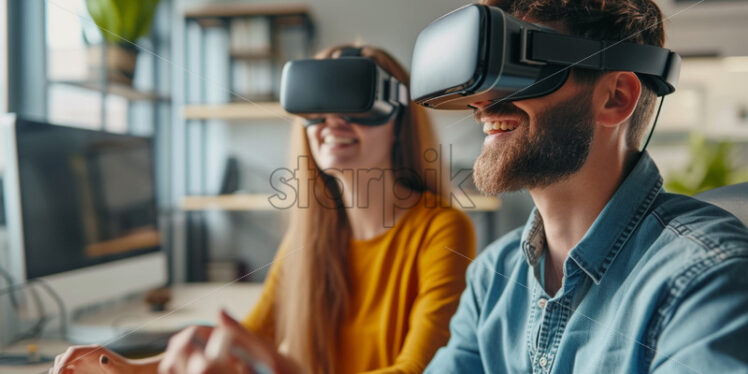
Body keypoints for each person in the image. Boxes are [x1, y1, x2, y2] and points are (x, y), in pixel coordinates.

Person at [51, 44, 476, 374]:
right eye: (317, 109)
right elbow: (248, 337)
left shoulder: (442, 231)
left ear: (398, 120)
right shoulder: (311, 238)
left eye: (355, 106)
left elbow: (419, 370)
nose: (333, 123)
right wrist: (128, 367)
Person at [423, 1, 748, 373]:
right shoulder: (493, 276)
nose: (482, 105)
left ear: (616, 97)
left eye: (520, 69)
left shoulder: (705, 278)